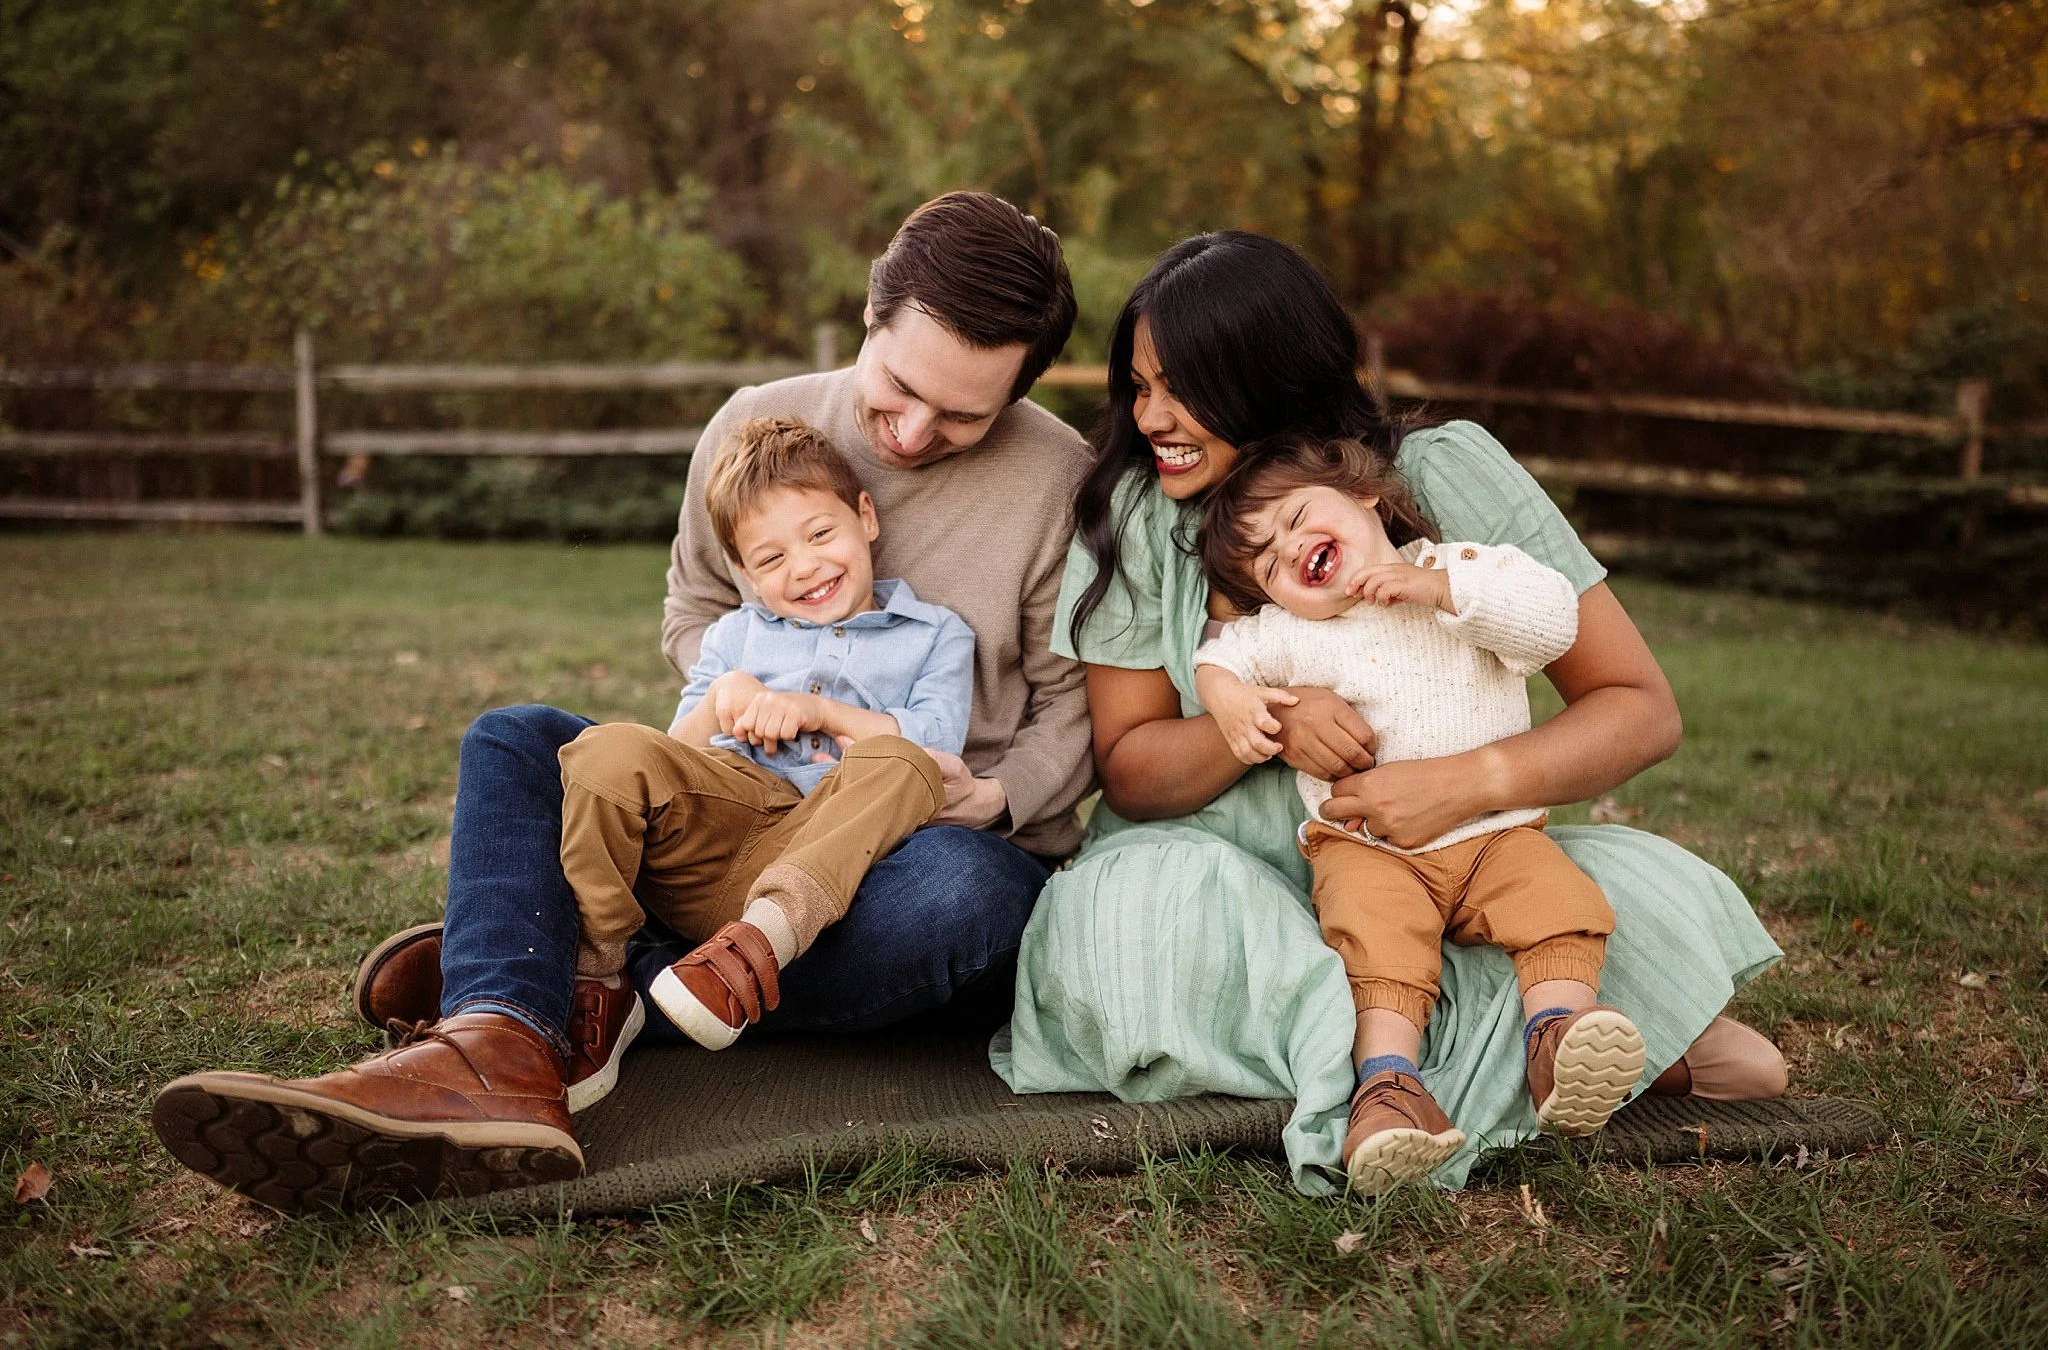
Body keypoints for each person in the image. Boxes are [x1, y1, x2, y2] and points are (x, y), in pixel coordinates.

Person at [151, 191, 1094, 1212]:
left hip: (912, 851)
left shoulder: (1056, 482)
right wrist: (742, 694)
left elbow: (1074, 703)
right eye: (899, 389)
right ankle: (494, 1044)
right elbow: (695, 608)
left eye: (962, 417)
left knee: (968, 900)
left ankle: (559, 973)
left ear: (1017, 394)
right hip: (735, 812)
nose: (912, 432)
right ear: (871, 315)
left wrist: (995, 798)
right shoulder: (752, 426)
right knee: (518, 741)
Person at [993, 230, 1788, 1195]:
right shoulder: (1137, 512)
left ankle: (1400, 1070)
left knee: (1602, 895)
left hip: (1460, 867)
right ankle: (1559, 1057)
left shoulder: (1439, 473)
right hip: (1222, 885)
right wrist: (1272, 724)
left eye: (1178, 388)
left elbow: (1639, 707)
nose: (1149, 417)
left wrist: (1466, 783)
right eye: (1138, 386)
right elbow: (1130, 768)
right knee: (1132, 921)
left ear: (1269, 377)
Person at [1191, 434, 1645, 1191]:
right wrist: (1231, 698)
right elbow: (1219, 657)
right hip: (1368, 849)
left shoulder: (1460, 568)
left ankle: (1559, 1040)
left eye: (1298, 518)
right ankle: (1389, 1090)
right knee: (1376, 946)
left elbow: (1551, 621)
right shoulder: (1290, 632)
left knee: (1556, 903)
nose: (1290, 548)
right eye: (1267, 564)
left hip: (1496, 833)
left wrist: (1436, 589)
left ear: (1364, 494)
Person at [560, 416, 974, 1055]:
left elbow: (938, 747)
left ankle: (752, 952)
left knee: (903, 762)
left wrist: (821, 713)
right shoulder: (735, 635)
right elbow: (670, 761)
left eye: (820, 534)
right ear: (746, 574)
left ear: (866, 516)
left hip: (825, 856)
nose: (805, 567)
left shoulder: (934, 633)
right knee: (605, 750)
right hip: (713, 839)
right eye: (772, 558)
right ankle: (599, 976)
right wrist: (724, 697)